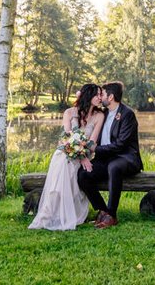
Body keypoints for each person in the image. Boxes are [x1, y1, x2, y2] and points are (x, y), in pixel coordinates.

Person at [29, 83, 104, 231]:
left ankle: (69, 212)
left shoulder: (99, 116)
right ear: (89, 96)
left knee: (69, 166)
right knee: (64, 162)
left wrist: (83, 155)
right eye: (98, 95)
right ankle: (51, 213)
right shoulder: (69, 113)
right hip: (65, 152)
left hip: (82, 154)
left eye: (101, 95)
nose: (100, 98)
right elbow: (66, 137)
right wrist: (80, 156)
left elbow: (92, 142)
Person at [77, 81, 142, 229]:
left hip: (126, 158)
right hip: (105, 159)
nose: (101, 97)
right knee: (83, 174)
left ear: (111, 97)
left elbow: (121, 145)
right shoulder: (102, 114)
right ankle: (103, 211)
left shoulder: (127, 114)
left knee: (114, 167)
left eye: (103, 94)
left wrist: (95, 149)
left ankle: (112, 215)